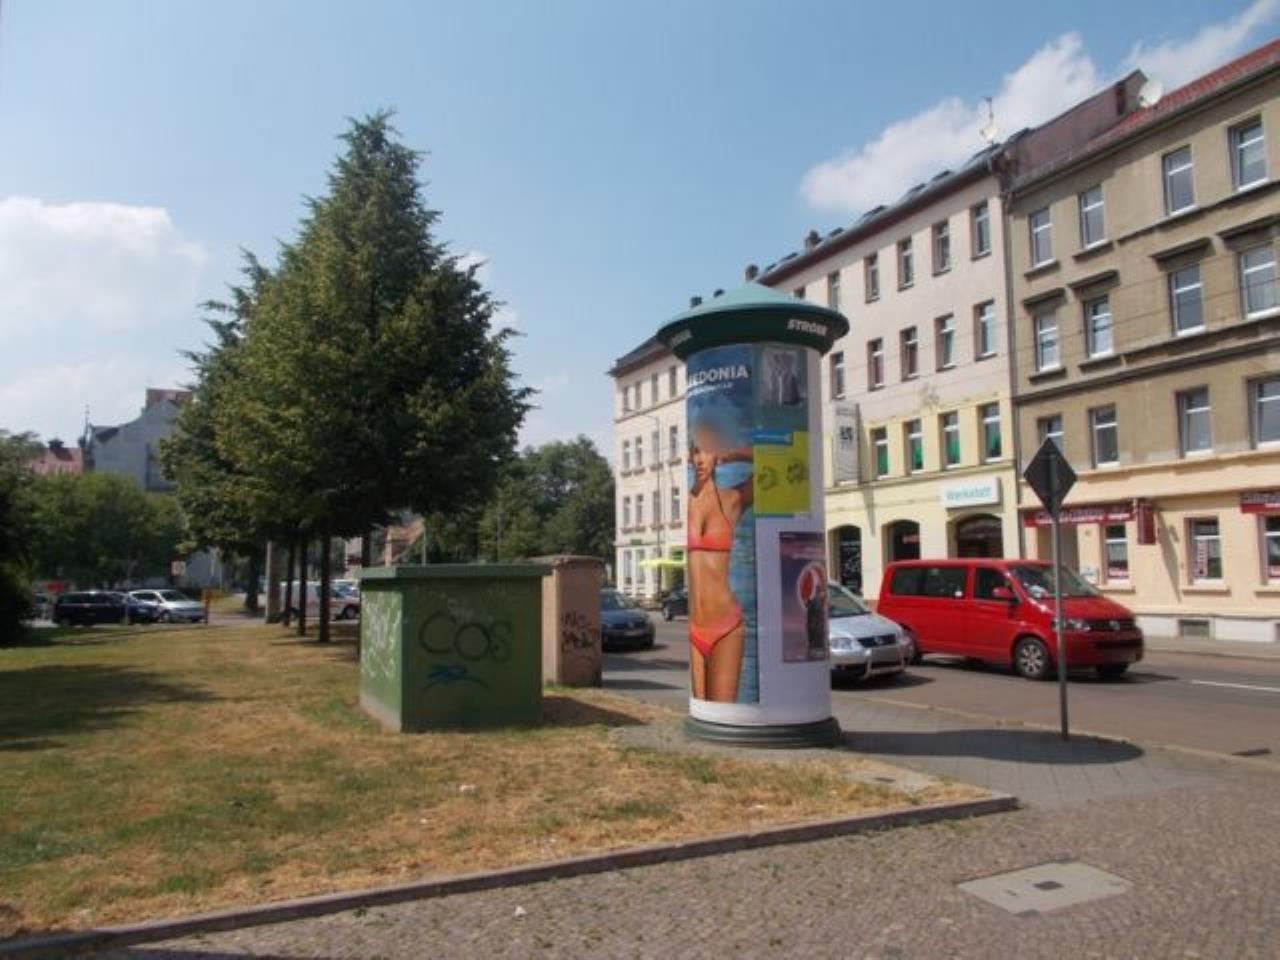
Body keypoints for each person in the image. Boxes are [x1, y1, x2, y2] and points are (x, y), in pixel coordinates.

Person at [687, 421, 753, 702]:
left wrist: (733, 453)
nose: (701, 459)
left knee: (723, 711)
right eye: (696, 451)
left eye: (708, 451)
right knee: (705, 712)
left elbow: (769, 463)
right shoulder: (686, 503)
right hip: (696, 628)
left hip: (726, 626)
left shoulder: (731, 500)